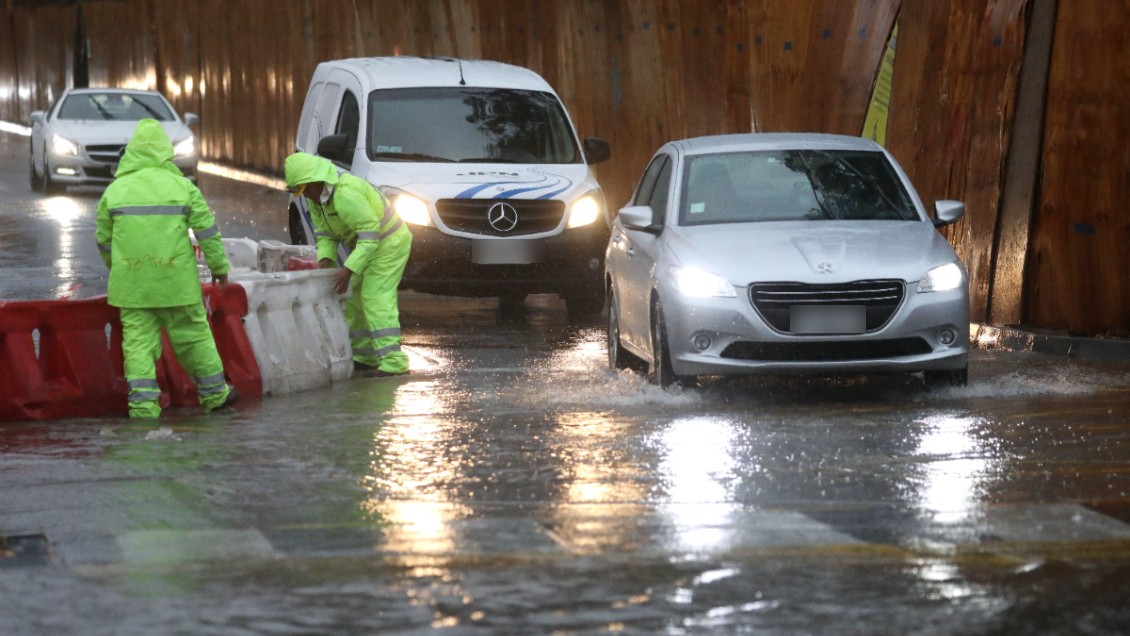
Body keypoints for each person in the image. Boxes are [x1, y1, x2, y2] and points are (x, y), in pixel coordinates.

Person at [96, 118, 238, 418]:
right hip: (177, 285)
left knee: (137, 346)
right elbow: (207, 232)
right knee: (195, 338)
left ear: (132, 152)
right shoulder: (182, 187)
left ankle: (143, 408)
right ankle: (215, 395)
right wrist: (219, 268)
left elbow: (104, 241)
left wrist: (120, 268)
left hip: (133, 288)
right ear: (165, 152)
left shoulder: (115, 191)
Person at [284, 152, 412, 377]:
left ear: (315, 181)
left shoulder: (345, 194)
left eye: (305, 191)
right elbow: (325, 234)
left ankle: (394, 362)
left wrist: (348, 269)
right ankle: (365, 357)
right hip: (366, 245)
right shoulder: (318, 200)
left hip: (389, 243)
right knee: (353, 298)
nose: (306, 198)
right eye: (299, 193)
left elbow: (370, 234)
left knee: (375, 296)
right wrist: (326, 259)